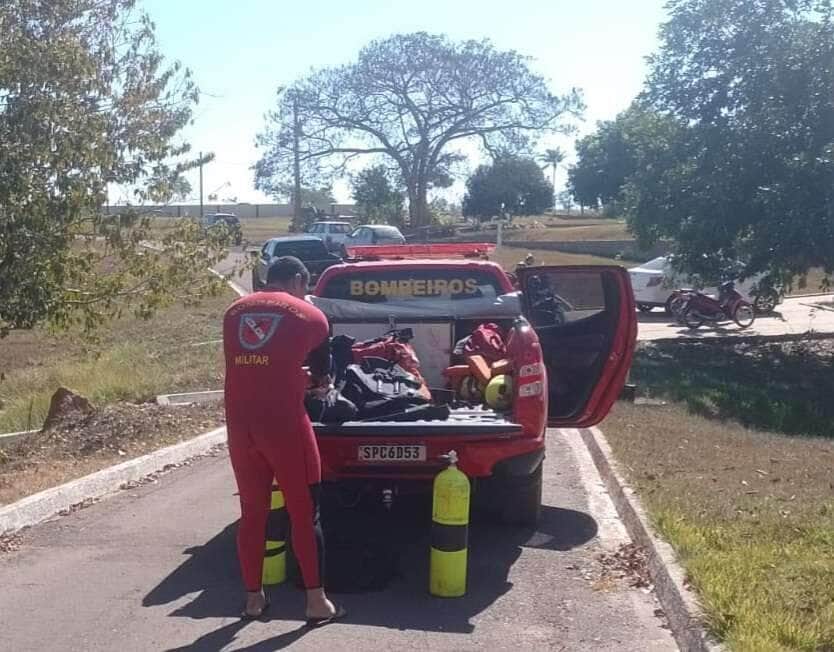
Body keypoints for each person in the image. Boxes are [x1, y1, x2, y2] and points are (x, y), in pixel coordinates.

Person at [222, 255, 345, 625]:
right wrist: (315, 381)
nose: (305, 292)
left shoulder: (233, 313)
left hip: (240, 427)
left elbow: (259, 362)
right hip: (286, 428)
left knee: (252, 514)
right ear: (296, 280)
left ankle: (253, 600)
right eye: (305, 286)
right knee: (305, 514)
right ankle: (316, 602)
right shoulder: (310, 316)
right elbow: (323, 374)